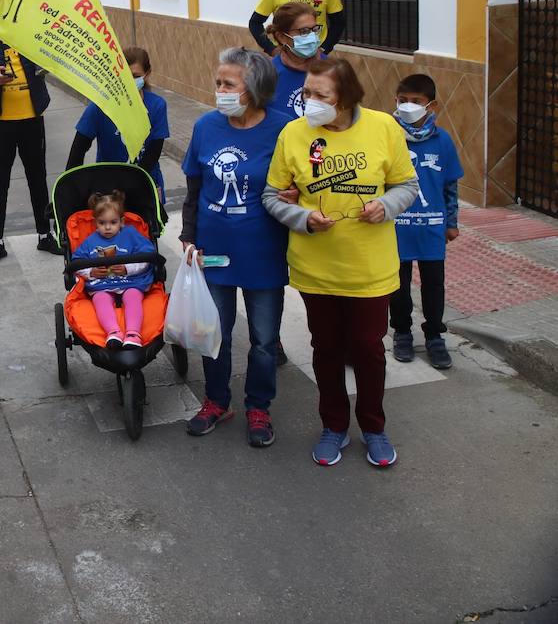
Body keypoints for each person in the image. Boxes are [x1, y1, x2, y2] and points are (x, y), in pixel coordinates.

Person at [262, 58, 419, 469]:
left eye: (321, 95)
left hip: (371, 267)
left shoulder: (384, 128)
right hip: (317, 268)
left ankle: (374, 428)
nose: (310, 102)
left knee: (369, 349)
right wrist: (303, 218)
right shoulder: (294, 134)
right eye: (307, 94)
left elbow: (408, 185)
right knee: (326, 349)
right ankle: (333, 426)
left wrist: (385, 205)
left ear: (346, 97)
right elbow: (272, 196)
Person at [179, 49, 293, 447]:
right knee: (217, 333)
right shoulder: (206, 126)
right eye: (218, 83)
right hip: (214, 249)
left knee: (264, 338)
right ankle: (216, 401)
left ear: (254, 89)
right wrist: (188, 236)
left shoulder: (285, 129)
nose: (220, 91)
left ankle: (259, 406)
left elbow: (296, 187)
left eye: (228, 84)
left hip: (264, 251)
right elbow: (194, 188)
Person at [0, 25, 61, 266]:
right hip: (0, 123)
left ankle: (44, 235)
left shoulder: (29, 29)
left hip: (32, 119)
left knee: (38, 179)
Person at [390, 74, 463, 370]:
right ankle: (402, 333)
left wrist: (451, 221)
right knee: (398, 285)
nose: (408, 106)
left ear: (431, 105)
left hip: (432, 227)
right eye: (402, 100)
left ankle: (434, 335)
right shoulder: (388, 135)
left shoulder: (442, 140)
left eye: (416, 101)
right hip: (396, 228)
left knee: (434, 284)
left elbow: (449, 186)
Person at [66, 47, 170, 205]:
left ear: (147, 74)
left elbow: (152, 154)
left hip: (144, 185)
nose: (129, 82)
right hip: (108, 193)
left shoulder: (157, 106)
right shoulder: (100, 107)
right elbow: (77, 151)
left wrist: (131, 188)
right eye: (125, 76)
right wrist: (69, 193)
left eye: (135, 76)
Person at [73, 190, 156, 349]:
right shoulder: (90, 241)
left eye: (113, 222)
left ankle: (133, 333)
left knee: (133, 295)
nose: (107, 227)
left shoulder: (131, 235)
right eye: (102, 223)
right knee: (100, 298)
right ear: (95, 222)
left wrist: (127, 268)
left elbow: (148, 256)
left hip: (131, 281)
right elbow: (76, 263)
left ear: (122, 221)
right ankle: (113, 332)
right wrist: (91, 272)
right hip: (101, 284)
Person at [264, 1, 327, 119]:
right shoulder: (268, 75)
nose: (312, 36)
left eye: (314, 29)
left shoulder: (331, 69)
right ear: (281, 37)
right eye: (304, 31)